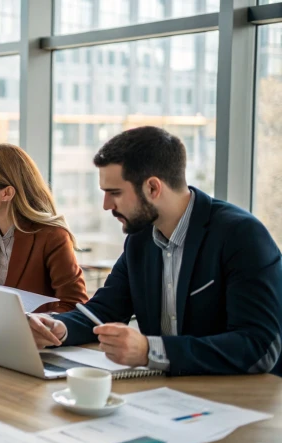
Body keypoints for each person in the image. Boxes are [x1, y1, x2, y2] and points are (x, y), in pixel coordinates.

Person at [28, 126, 282, 376]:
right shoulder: (141, 239)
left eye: (114, 193)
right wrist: (58, 327)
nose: (106, 206)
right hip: (166, 392)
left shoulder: (241, 234)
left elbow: (259, 346)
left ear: (152, 188)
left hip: (242, 398)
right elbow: (103, 312)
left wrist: (151, 350)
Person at [0, 143, 87, 313]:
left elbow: (74, 304)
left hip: (31, 335)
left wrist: (40, 323)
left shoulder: (53, 236)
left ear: (6, 193)